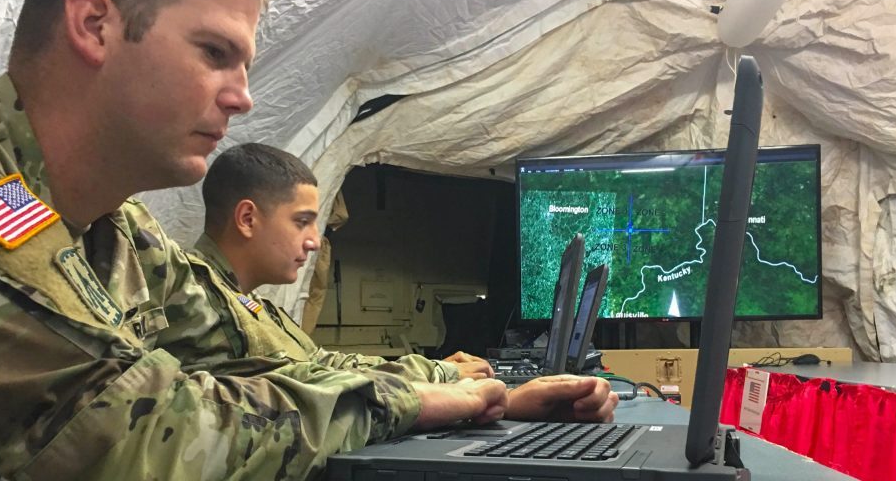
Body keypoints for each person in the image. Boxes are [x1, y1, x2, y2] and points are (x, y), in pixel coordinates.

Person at [0, 0, 509, 479]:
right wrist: (411, 402)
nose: (243, 99)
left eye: (246, 66)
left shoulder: (116, 227)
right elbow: (127, 438)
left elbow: (274, 357)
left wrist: (436, 380)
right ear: (94, 24)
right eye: (213, 52)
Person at [180, 142, 619, 422]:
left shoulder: (249, 305)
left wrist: (444, 374)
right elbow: (293, 399)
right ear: (247, 218)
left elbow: (325, 368)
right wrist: (464, 396)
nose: (314, 241)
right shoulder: (194, 300)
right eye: (301, 222)